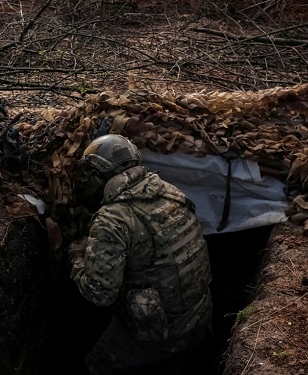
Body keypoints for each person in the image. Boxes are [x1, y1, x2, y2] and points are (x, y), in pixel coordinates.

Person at [69, 134, 213, 375]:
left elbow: (99, 294)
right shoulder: (170, 192)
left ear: (99, 176)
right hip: (200, 317)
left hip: (164, 334)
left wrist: (76, 258)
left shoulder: (113, 219)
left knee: (97, 365)